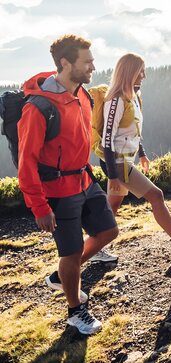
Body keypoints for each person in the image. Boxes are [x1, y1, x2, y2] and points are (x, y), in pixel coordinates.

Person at [18, 34, 119, 335]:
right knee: (71, 253)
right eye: (86, 62)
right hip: (59, 193)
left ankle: (63, 277)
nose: (92, 66)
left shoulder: (82, 94)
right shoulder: (38, 108)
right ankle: (76, 311)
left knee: (109, 231)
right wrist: (39, 207)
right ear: (65, 63)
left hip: (85, 180)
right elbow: (26, 163)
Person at [90, 52, 171, 262]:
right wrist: (114, 174)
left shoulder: (133, 98)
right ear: (129, 73)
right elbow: (107, 140)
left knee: (112, 207)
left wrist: (142, 154)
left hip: (124, 161)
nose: (143, 75)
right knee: (156, 195)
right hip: (117, 164)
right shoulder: (115, 101)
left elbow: (133, 131)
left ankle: (94, 248)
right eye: (140, 71)